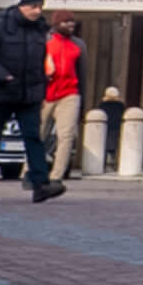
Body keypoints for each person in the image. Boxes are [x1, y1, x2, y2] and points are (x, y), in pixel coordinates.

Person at [0, 0, 63, 201]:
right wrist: (2, 75)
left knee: (33, 137)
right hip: (2, 91)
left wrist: (41, 86)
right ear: (22, 6)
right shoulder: (0, 26)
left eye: (40, 6)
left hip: (29, 93)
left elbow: (40, 61)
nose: (37, 11)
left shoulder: (41, 29)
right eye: (33, 6)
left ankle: (41, 185)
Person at [44, 18, 88, 182]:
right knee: (40, 134)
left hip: (70, 93)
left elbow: (82, 74)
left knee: (66, 136)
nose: (70, 25)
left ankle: (57, 175)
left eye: (72, 22)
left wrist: (82, 101)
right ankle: (30, 170)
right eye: (66, 21)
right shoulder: (45, 43)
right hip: (46, 94)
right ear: (56, 24)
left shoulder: (79, 45)